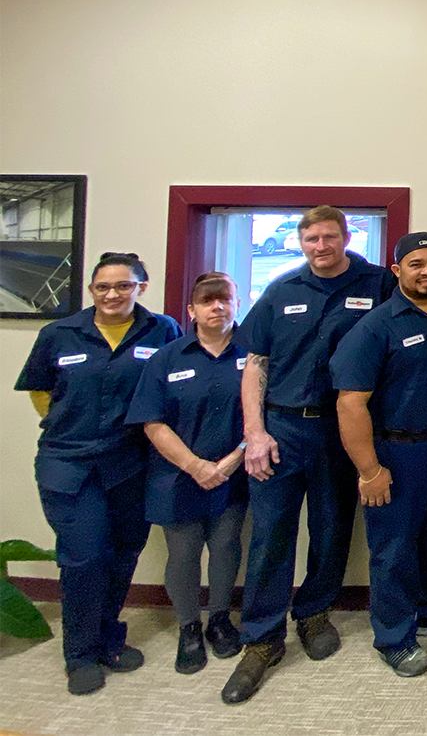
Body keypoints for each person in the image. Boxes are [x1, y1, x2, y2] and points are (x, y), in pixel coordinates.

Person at [223, 205, 396, 704]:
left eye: (329, 237)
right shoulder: (282, 290)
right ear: (301, 243)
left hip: (339, 431)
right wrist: (254, 433)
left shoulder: (378, 284)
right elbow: (255, 364)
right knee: (270, 535)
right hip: (280, 429)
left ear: (347, 237)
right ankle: (262, 638)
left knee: (332, 528)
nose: (321, 246)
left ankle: (315, 612)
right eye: (311, 239)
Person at [15, 252, 182, 696]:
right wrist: (70, 423)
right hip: (69, 463)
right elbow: (40, 389)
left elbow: (174, 385)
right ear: (91, 289)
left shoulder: (163, 330)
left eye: (123, 285)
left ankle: (108, 638)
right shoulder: (59, 333)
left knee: (124, 551)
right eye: (102, 287)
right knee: (85, 556)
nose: (112, 294)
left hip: (130, 463)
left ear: (140, 287)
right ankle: (81, 655)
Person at [330, 232, 427, 677]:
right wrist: (368, 470)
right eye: (416, 264)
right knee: (394, 549)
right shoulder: (376, 326)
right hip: (397, 453)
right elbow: (350, 403)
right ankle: (395, 637)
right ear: (397, 270)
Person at [126, 272, 249, 675]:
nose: (218, 307)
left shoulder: (254, 355)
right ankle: (189, 627)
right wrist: (196, 466)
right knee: (184, 553)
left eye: (225, 299)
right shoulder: (167, 358)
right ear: (192, 310)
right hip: (177, 476)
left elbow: (265, 414)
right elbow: (152, 422)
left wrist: (233, 460)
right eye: (208, 301)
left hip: (233, 472)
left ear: (236, 304)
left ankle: (219, 619)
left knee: (226, 547)